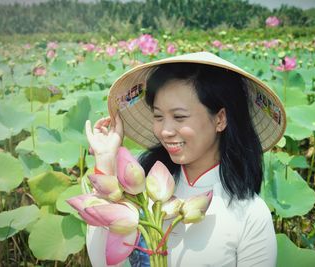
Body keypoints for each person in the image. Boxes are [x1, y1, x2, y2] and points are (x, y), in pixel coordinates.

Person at [85, 52, 286, 267]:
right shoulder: (141, 193)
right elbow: (101, 262)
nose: (165, 131)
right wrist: (105, 160)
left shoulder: (250, 213)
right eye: (158, 116)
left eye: (179, 117)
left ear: (220, 119)